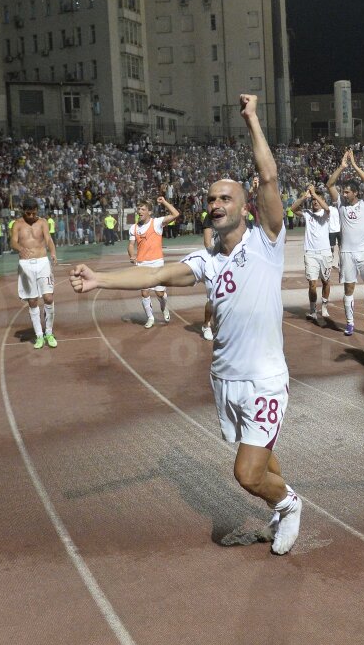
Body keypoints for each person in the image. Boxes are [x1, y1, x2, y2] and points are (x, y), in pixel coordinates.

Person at [72, 94, 303, 555]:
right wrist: (100, 279)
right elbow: (154, 273)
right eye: (212, 198)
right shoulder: (206, 259)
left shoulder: (266, 241)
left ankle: (289, 505)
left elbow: (269, 175)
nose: (216, 203)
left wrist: (253, 119)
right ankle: (279, 502)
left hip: (263, 380)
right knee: (260, 456)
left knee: (247, 473)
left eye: (226, 197)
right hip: (224, 380)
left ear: (246, 207)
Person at [327, 148, 364, 337]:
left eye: (347, 191)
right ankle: (350, 323)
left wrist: (355, 165)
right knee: (349, 288)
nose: (344, 194)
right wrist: (342, 166)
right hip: (347, 253)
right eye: (343, 191)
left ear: (355, 193)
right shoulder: (340, 204)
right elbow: (329, 184)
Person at [11, 197, 58, 349]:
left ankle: (49, 332)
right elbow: (13, 242)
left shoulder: (43, 222)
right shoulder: (17, 224)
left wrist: (53, 253)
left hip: (42, 261)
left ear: (37, 210)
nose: (31, 216)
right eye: (28, 213)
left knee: (48, 298)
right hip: (26, 265)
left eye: (33, 213)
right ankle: (39, 335)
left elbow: (48, 239)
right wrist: (20, 249)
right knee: (32, 301)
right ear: (23, 210)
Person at [127, 196, 180, 328]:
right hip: (142, 264)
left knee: (160, 294)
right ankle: (150, 318)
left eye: (143, 209)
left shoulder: (157, 223)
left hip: (157, 263)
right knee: (145, 292)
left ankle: (164, 308)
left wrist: (164, 202)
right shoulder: (134, 228)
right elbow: (131, 245)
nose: (140, 211)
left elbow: (176, 214)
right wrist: (132, 255)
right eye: (138, 209)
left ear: (149, 212)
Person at [290, 185, 333, 323]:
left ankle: (324, 306)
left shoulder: (326, 213)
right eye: (313, 200)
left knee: (326, 281)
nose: (314, 201)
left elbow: (326, 208)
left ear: (321, 200)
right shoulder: (307, 213)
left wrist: (314, 193)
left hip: (325, 252)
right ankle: (313, 310)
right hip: (310, 253)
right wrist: (305, 196)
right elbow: (292, 209)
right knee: (312, 284)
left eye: (317, 199)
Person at [201, 221, 216, 341]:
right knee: (212, 298)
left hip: (234, 261)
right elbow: (207, 243)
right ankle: (206, 325)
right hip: (215, 261)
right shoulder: (210, 217)